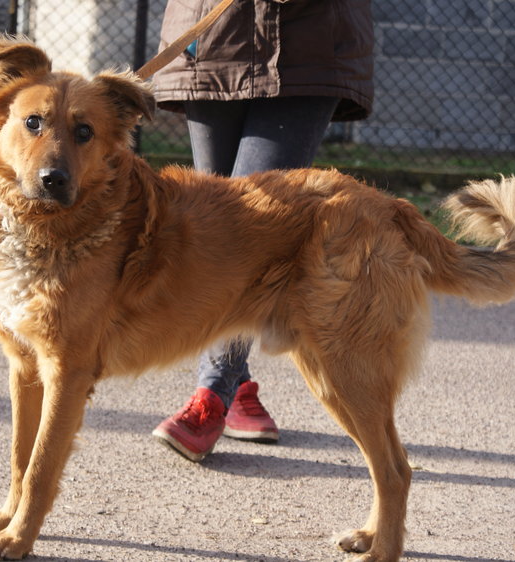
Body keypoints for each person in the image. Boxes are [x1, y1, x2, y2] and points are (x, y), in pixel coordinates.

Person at [150, 0, 374, 462]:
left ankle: (211, 395)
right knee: (213, 234)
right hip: (212, 35)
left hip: (306, 43)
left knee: (246, 229)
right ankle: (237, 382)